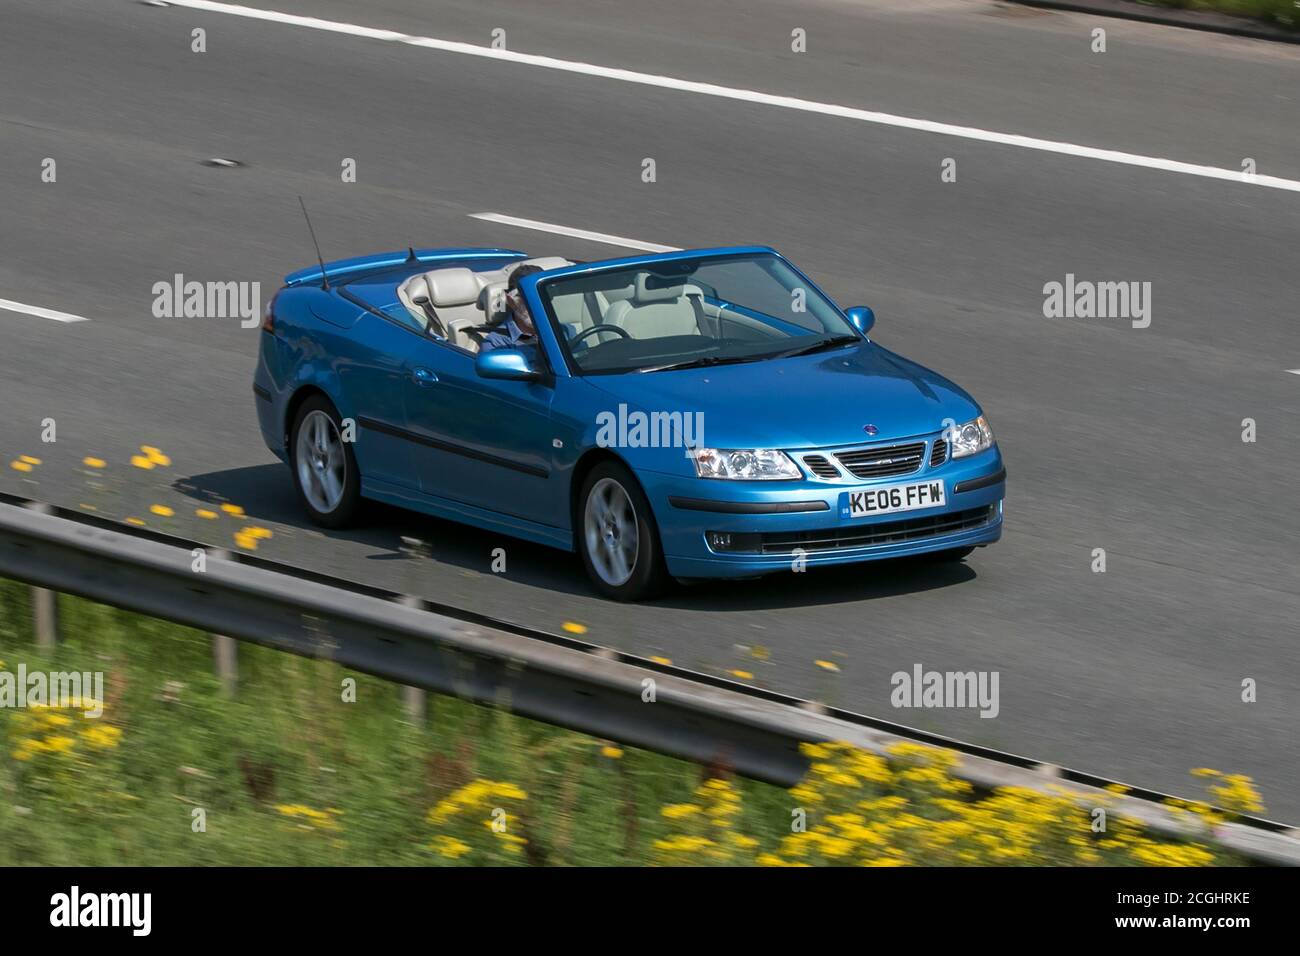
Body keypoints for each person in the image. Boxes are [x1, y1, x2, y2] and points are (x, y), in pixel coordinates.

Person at [479, 264, 543, 352]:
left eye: (544, 296)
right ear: (511, 301)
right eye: (529, 297)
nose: (539, 303)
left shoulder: (563, 331)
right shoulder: (497, 344)